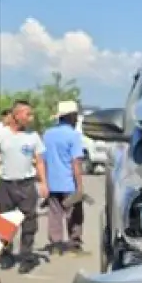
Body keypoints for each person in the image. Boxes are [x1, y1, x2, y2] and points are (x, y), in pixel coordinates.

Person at [0, 100, 47, 273]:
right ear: (16, 115)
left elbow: (40, 162)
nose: (30, 118)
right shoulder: (0, 135)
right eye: (27, 114)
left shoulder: (33, 137)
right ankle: (6, 255)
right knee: (4, 222)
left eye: (31, 114)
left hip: (27, 184)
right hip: (6, 184)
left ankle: (26, 257)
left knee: (29, 222)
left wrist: (44, 182)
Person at [42, 99, 87, 255]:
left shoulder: (48, 134)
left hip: (52, 182)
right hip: (69, 183)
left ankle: (56, 244)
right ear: (71, 117)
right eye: (75, 116)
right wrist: (80, 186)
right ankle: (74, 243)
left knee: (54, 214)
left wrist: (44, 182)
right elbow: (76, 162)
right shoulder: (73, 136)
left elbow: (43, 159)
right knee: (74, 215)